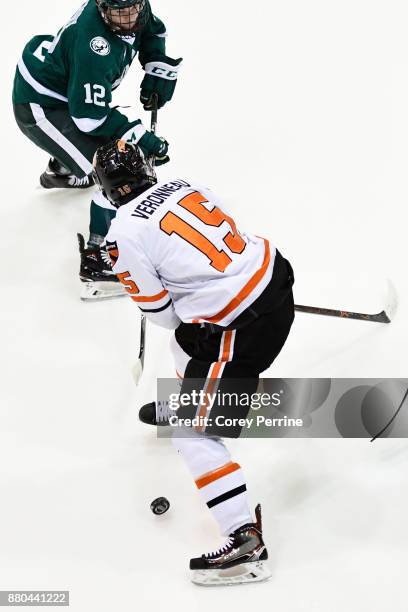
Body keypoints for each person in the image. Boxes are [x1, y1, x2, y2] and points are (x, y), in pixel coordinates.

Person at [93, 139, 295, 586]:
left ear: (107, 191)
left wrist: (186, 295)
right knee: (185, 346)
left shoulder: (121, 235)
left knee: (192, 432)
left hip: (242, 328)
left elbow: (161, 313)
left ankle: (245, 543)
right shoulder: (185, 184)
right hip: (274, 275)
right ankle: (200, 394)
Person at [12, 0, 181, 285]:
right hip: (42, 105)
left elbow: (153, 31)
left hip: (65, 93)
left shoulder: (136, 11)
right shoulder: (94, 45)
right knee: (115, 170)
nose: (128, 18)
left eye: (134, 8)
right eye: (118, 11)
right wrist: (141, 137)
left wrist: (156, 64)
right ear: (102, 8)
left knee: (102, 149)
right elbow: (88, 118)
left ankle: (64, 167)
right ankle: (98, 257)